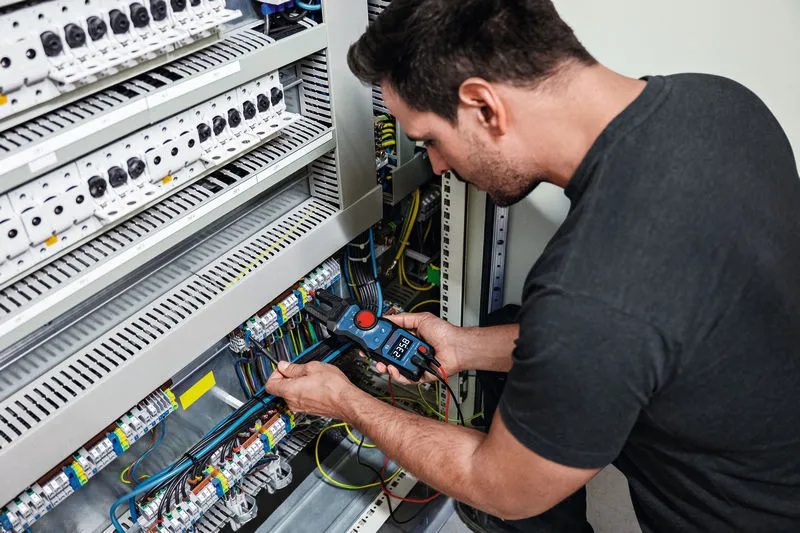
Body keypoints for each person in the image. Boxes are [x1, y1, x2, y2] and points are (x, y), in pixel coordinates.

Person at [265, 0, 800, 531]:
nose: (435, 165)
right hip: (765, 431)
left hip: (739, 513)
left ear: (483, 105)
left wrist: (346, 402)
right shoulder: (717, 100)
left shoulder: (591, 290)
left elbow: (500, 485)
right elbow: (647, 330)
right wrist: (464, 346)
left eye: (430, 140)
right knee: (507, 324)